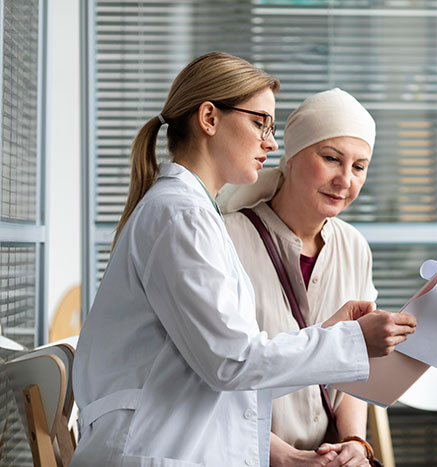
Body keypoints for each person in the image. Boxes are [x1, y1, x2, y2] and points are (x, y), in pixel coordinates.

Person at [71, 52, 416, 467]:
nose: (270, 142)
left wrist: (331, 335)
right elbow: (232, 362)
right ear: (210, 118)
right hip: (155, 449)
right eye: (260, 123)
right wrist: (351, 340)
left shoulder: (190, 213)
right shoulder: (182, 216)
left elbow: (228, 358)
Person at [218, 88, 382, 467]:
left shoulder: (354, 247)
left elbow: (356, 364)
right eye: (331, 159)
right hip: (243, 454)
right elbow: (215, 374)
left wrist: (354, 444)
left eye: (359, 167)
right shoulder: (226, 239)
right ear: (290, 157)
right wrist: (284, 457)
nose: (345, 180)